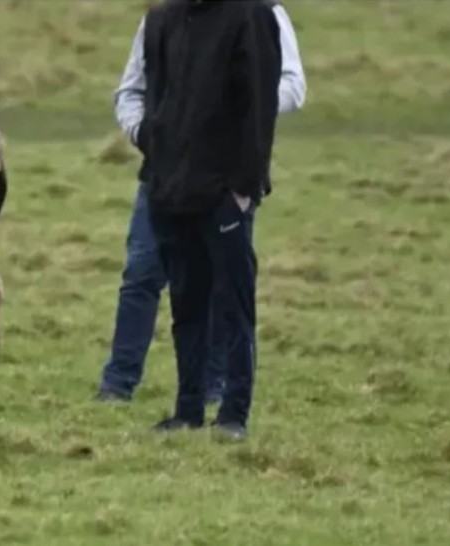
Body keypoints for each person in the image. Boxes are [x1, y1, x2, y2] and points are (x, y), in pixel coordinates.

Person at [96, 0, 305, 408]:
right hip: (164, 172)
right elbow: (131, 88)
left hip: (223, 174)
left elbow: (292, 84)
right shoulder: (160, 18)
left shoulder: (261, 12)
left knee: (218, 286)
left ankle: (216, 390)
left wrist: (234, 109)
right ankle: (119, 383)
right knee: (142, 273)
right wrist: (152, 136)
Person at [131, 0, 286, 438]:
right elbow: (156, 96)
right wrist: (157, 162)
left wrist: (243, 189)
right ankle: (188, 410)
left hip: (223, 193)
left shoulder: (250, 16)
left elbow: (259, 107)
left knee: (234, 306)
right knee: (186, 304)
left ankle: (234, 414)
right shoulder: (162, 19)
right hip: (170, 190)